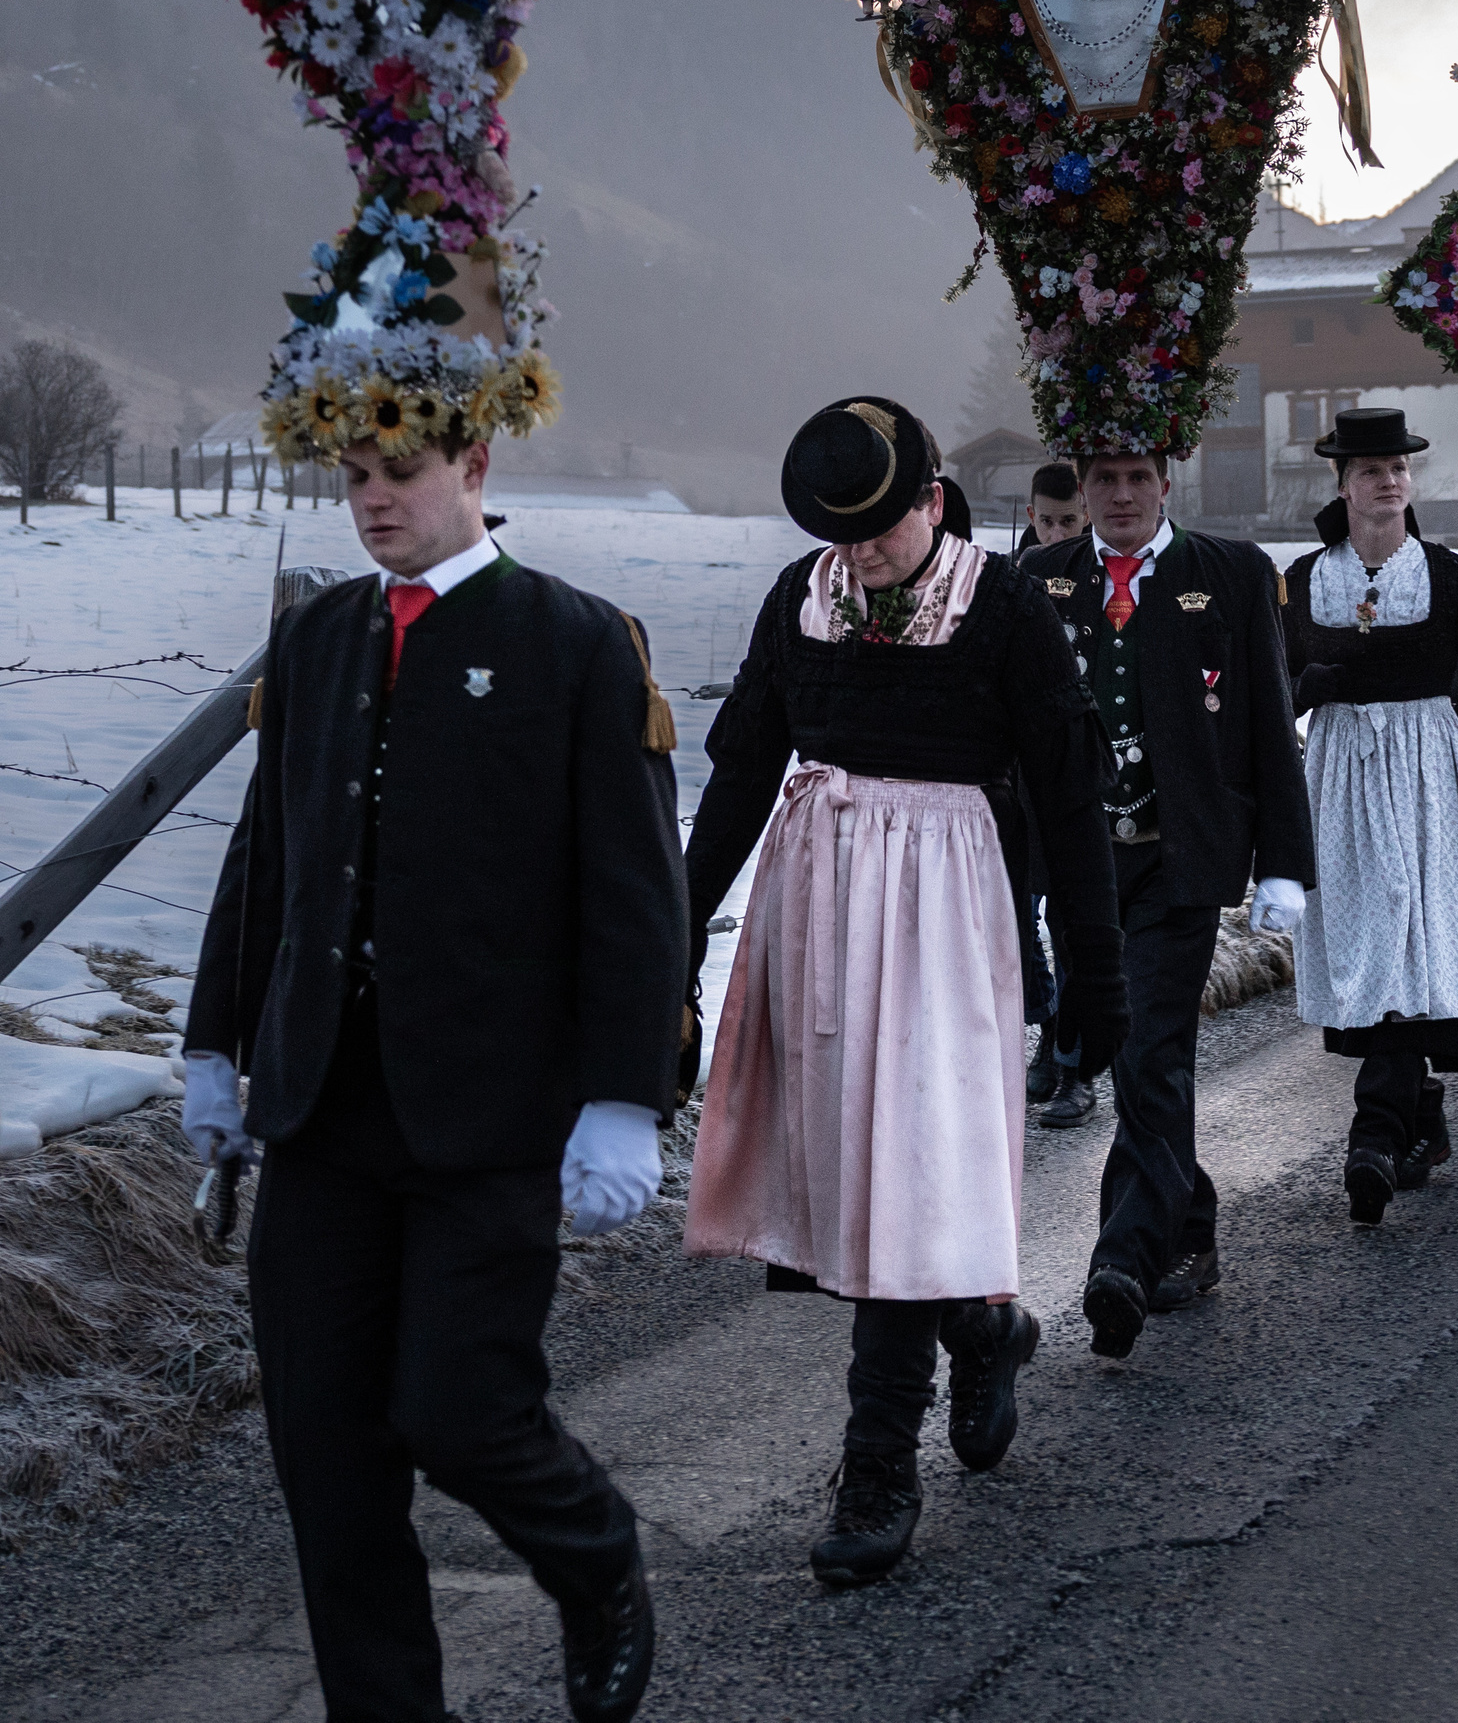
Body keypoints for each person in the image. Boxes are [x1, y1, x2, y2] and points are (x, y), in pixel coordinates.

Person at [182, 426, 687, 1723]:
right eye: (353, 477)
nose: (371, 500)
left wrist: (626, 1093)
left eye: (398, 472)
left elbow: (635, 890)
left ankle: (595, 1555)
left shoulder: (574, 640)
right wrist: (214, 1046)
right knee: (326, 1452)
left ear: (474, 464)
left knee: (461, 1411)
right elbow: (269, 855)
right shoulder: (317, 638)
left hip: (491, 1111)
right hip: (321, 1107)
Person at [680, 399, 1129, 1588]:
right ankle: (982, 1326)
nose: (864, 550)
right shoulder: (801, 597)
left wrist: (1096, 969)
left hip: (944, 908)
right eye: (846, 532)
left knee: (910, 1165)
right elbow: (741, 771)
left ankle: (877, 1464)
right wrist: (676, 928)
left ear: (932, 500)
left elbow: (1068, 797)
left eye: (883, 525)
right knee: (860, 1180)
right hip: (820, 903)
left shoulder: (1003, 607)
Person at [1030, 444, 1313, 1358]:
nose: (1119, 496)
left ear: (1165, 483)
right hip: (1081, 865)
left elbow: (1268, 717)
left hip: (1182, 857)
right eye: (1102, 480)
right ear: (1083, 488)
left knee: (1152, 1047)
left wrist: (1284, 864)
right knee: (1125, 1052)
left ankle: (1122, 1261)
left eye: (1136, 479)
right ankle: (1190, 1222)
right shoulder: (1040, 580)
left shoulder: (1230, 572)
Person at [1281, 409, 1458, 1223]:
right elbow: (1266, 682)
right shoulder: (1303, 579)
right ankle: (1419, 1113)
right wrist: (1304, 689)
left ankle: (1375, 1133)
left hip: (1428, 769)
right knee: (1374, 941)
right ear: (1343, 484)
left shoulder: (1450, 577)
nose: (1388, 481)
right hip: (1342, 775)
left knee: (1410, 937)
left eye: (1397, 468)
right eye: (1370, 470)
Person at [1011, 456, 1088, 1113]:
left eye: (1070, 522)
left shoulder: (1100, 578)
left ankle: (1073, 1063)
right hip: (1016, 780)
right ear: (1032, 516)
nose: (1058, 534)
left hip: (1076, 776)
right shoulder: (1008, 584)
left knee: (1071, 925)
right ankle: (1047, 1021)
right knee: (1013, 918)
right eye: (1049, 522)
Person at [1019, 459, 1086, 554]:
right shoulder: (1010, 563)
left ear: (1087, 516)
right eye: (1046, 521)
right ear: (1032, 516)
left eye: (1068, 521)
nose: (1057, 539)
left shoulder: (1105, 562)